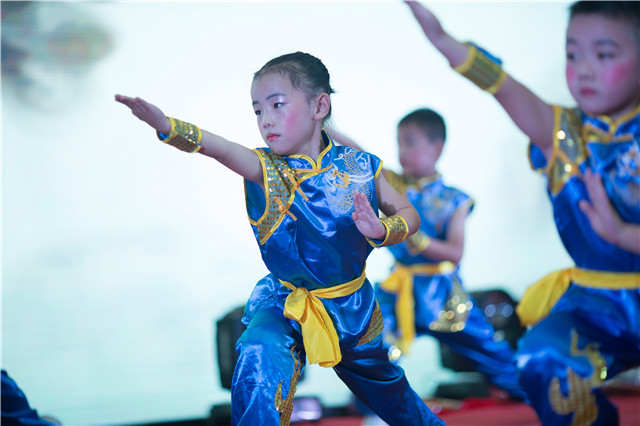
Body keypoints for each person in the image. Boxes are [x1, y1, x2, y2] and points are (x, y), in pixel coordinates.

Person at [115, 51, 444, 426]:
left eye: (277, 105)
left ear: (319, 106)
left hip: (350, 308)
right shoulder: (266, 168)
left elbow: (409, 214)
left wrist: (383, 229)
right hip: (286, 302)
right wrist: (166, 126)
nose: (265, 120)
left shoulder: (362, 167)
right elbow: (219, 147)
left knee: (393, 396)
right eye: (257, 111)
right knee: (259, 349)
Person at [402, 1, 640, 424]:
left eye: (604, 54)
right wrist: (443, 42)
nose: (584, 70)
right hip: (598, 304)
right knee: (541, 357)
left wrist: (623, 234)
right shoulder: (564, 133)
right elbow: (503, 87)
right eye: (573, 54)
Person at [330, 108, 526, 402]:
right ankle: (369, 406)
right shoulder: (394, 184)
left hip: (443, 294)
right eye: (399, 143)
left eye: (410, 142)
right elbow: (359, 153)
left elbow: (455, 253)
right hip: (400, 290)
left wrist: (416, 236)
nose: (402, 152)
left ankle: (534, 390)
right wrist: (325, 127)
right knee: (370, 343)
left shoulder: (455, 199)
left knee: (490, 352)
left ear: (436, 148)